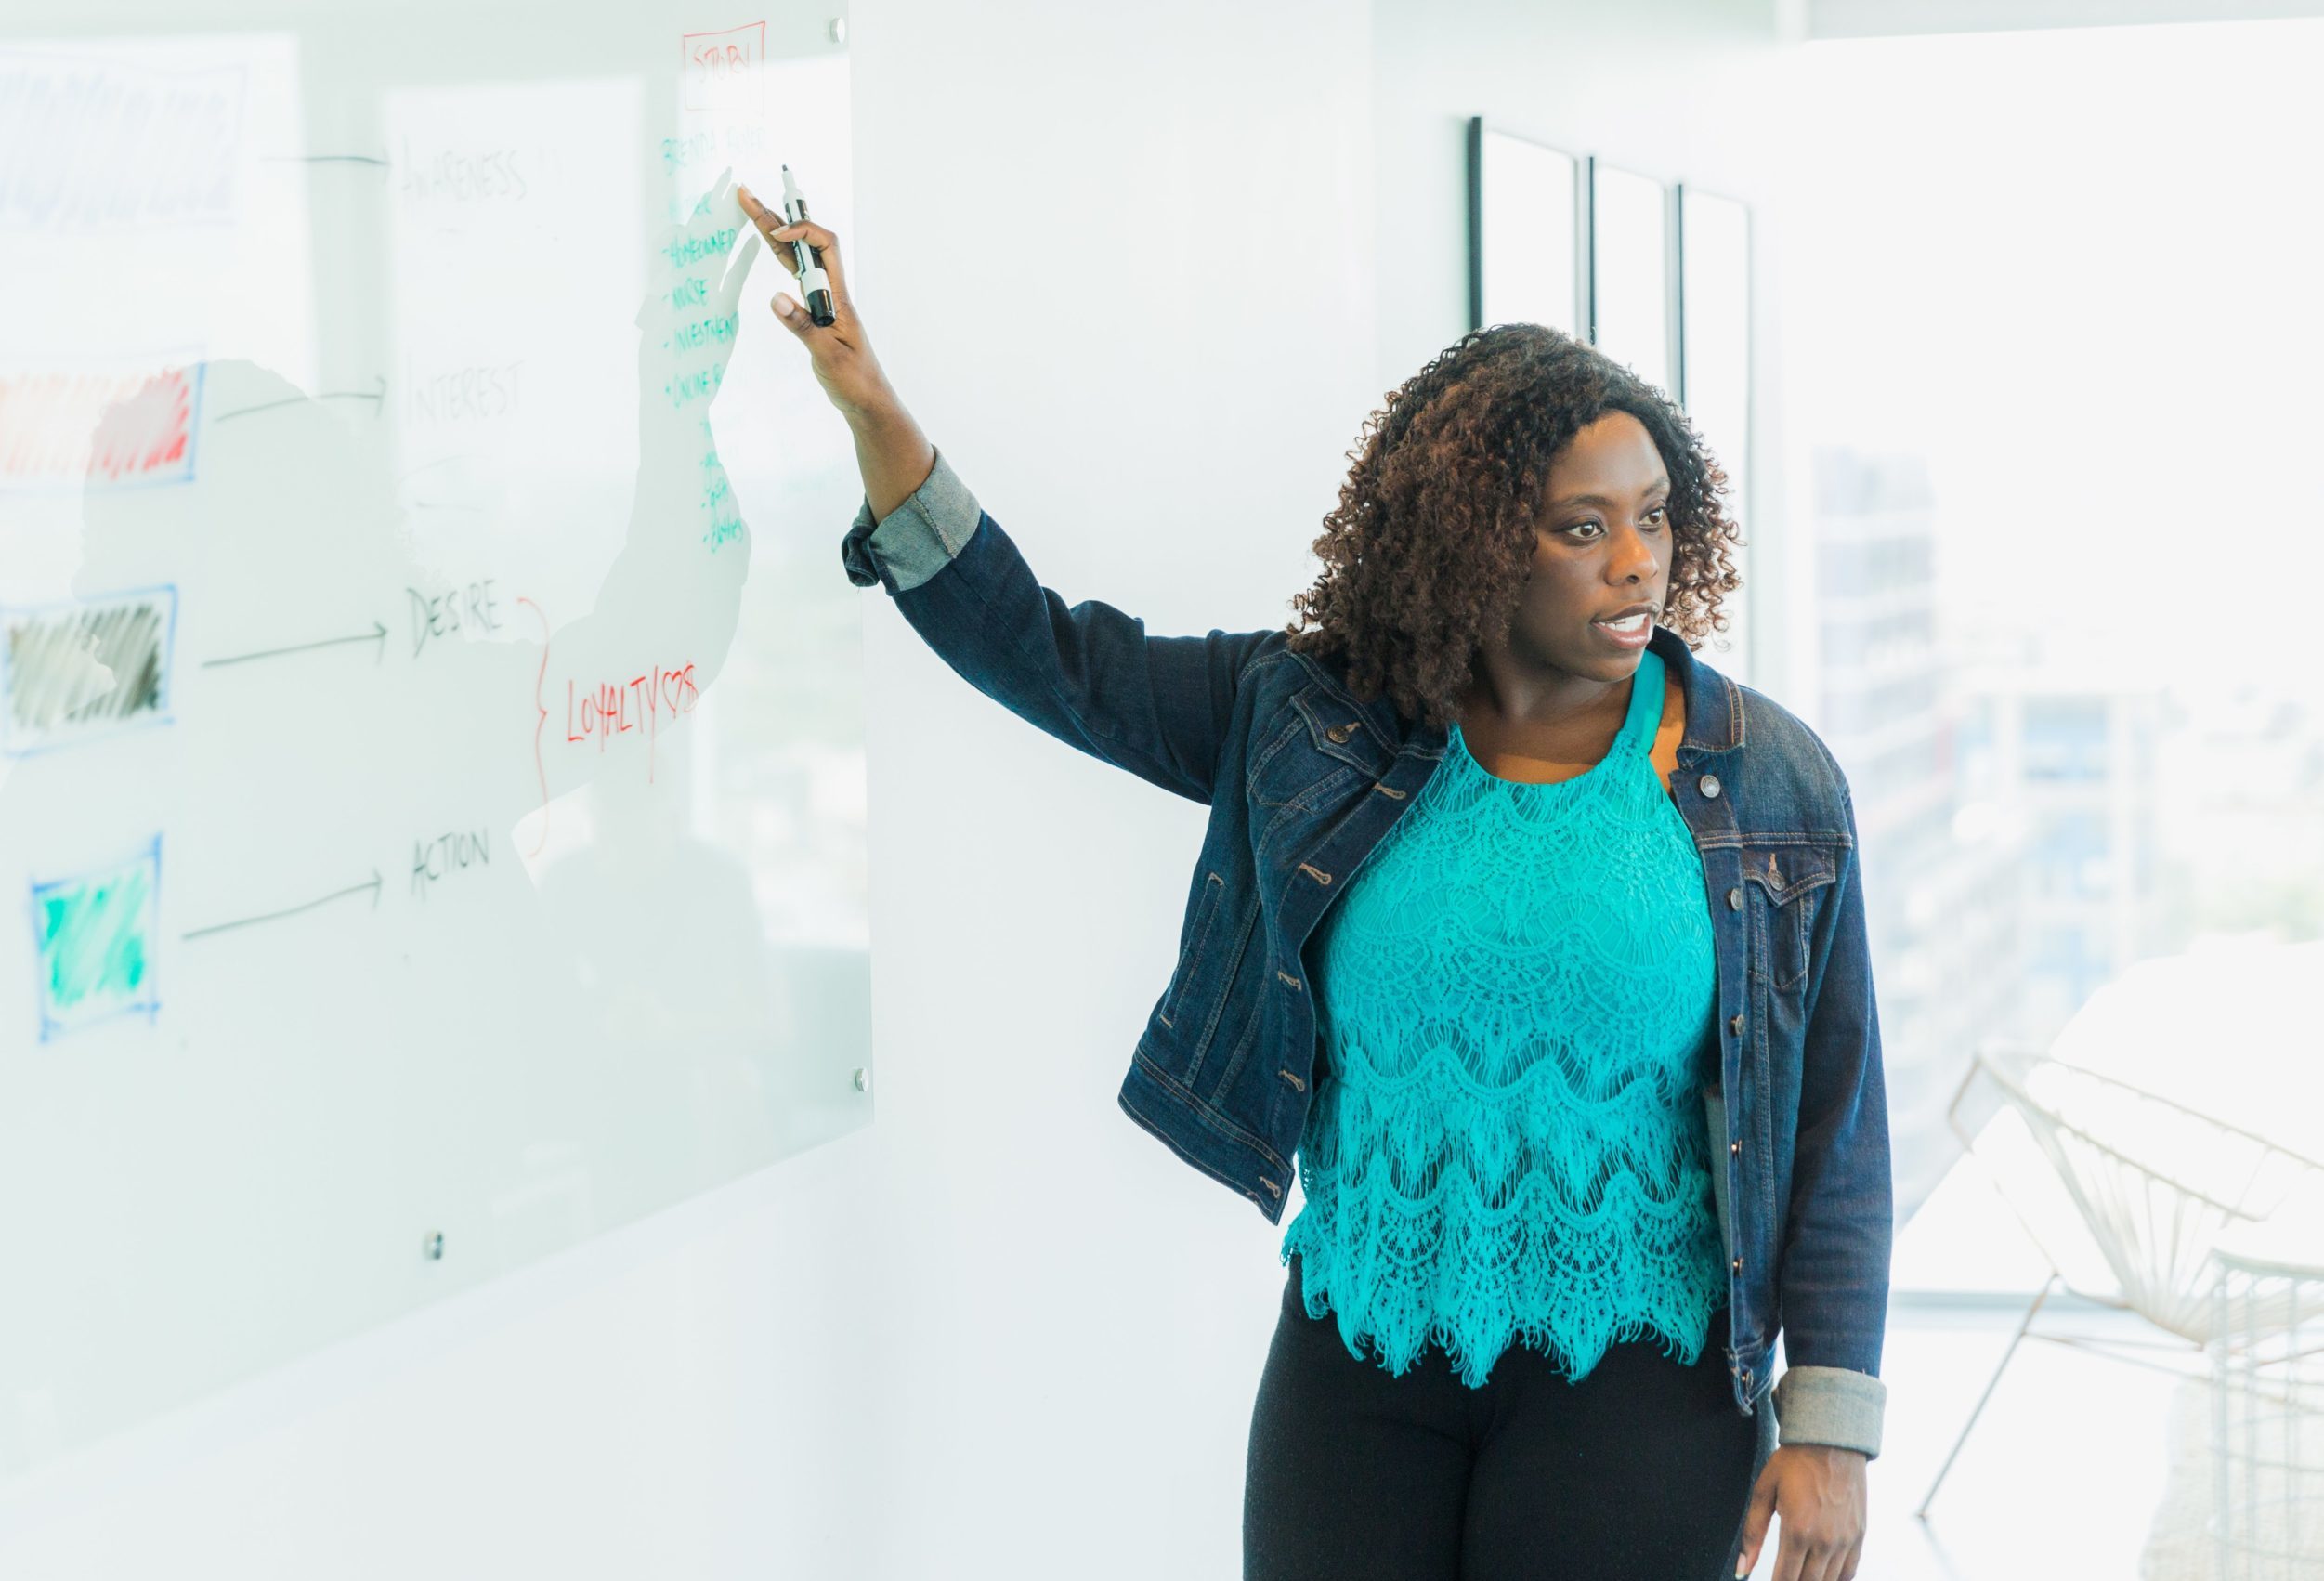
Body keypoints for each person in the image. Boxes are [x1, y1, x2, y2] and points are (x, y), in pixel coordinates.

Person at [738, 185, 1887, 1581]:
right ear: (1473, 537)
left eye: (1651, 517)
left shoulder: (1761, 781)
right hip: (1359, 1358)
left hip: (1640, 1374)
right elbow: (1053, 657)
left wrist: (1830, 1419)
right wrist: (872, 409)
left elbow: (1833, 1113)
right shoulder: (1313, 716)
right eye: (1581, 527)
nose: (1636, 559)